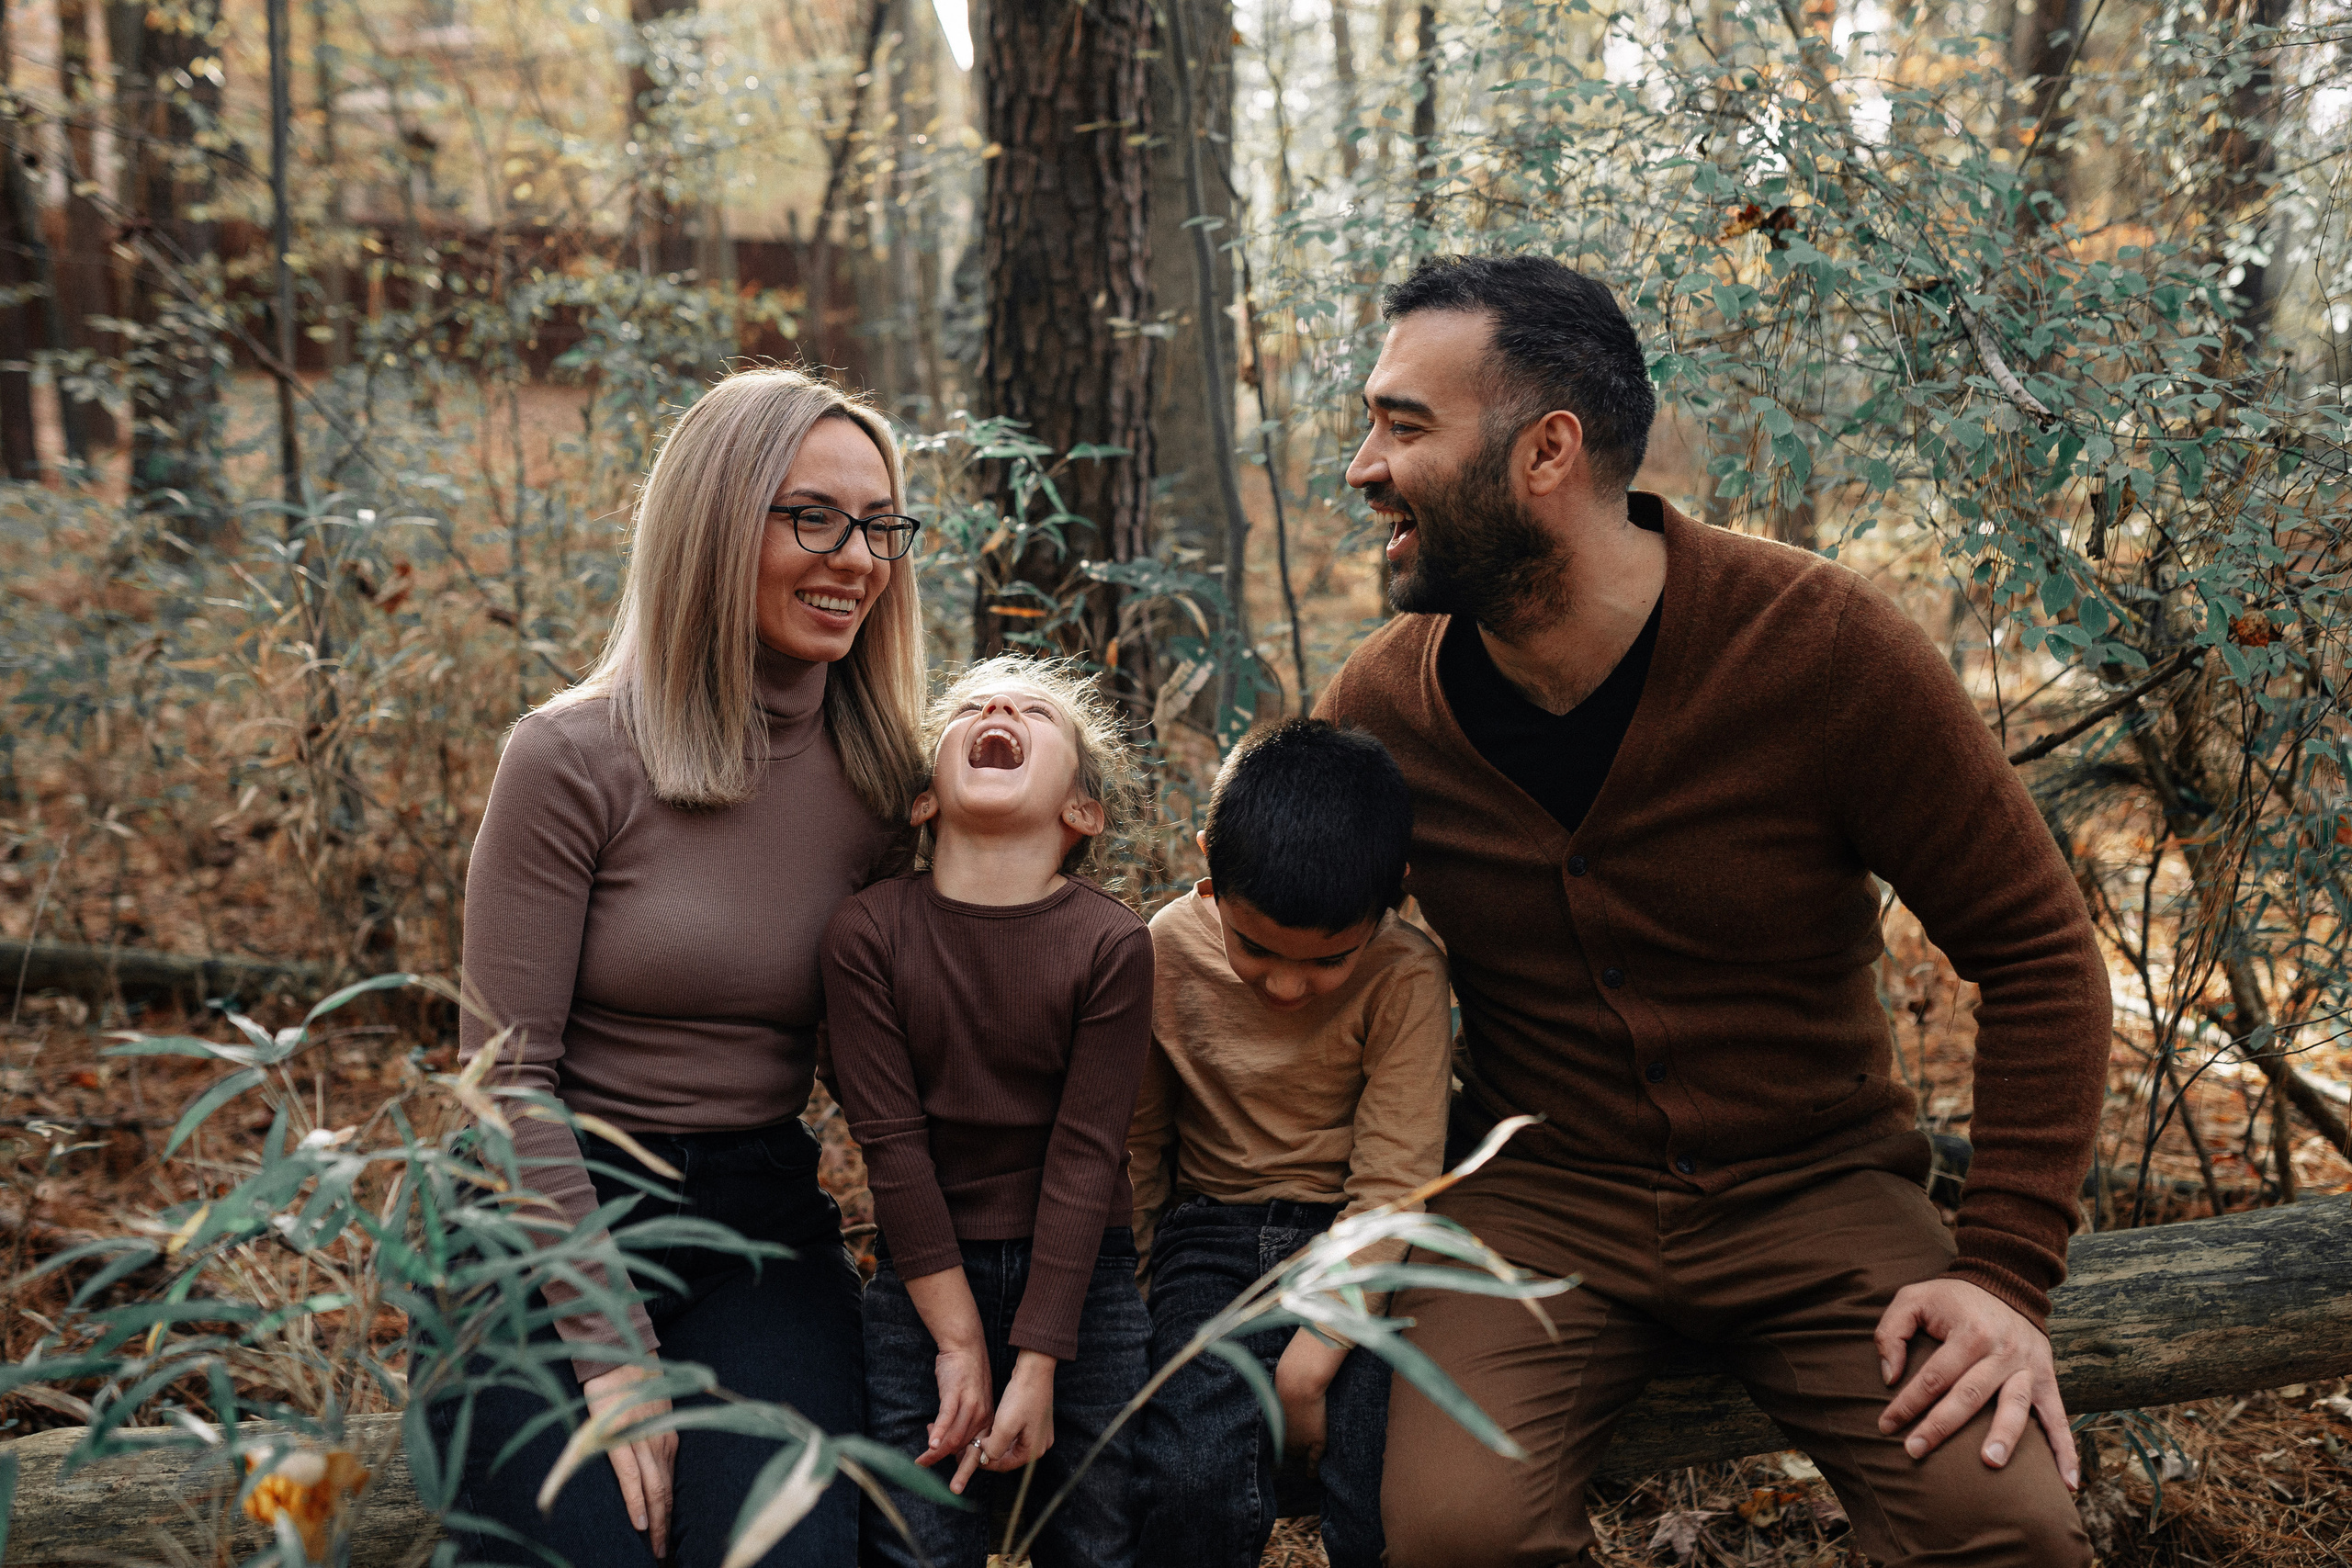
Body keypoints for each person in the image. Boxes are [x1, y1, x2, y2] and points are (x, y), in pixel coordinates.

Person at [1314, 254, 2109, 1567]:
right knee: (1456, 1536)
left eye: (1404, 426)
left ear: (1547, 451)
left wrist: (2003, 1272)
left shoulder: (1822, 646)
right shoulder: (1384, 706)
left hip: (1819, 1189)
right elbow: (1277, 954)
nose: (1363, 467)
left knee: (2002, 1529)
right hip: (1535, 1206)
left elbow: (2037, 950)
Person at [446, 367, 928, 1568]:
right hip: (552, 1216)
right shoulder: (569, 757)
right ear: (713, 525)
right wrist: (612, 1358)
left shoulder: (885, 783)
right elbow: (505, 1085)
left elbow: (892, 1071)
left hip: (755, 1226)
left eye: (878, 525)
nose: (856, 558)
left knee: (785, 1550)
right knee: (599, 1544)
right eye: (812, 517)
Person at [821, 655, 1155, 1568]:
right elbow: (892, 1149)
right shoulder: (867, 934)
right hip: (925, 1275)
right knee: (917, 1543)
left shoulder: (1112, 944)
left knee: (1098, 1540)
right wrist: (958, 1342)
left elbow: (1086, 1156)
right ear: (924, 799)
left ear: (1082, 810)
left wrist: (1038, 1361)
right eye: (968, 707)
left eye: (1036, 713)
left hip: (1081, 1279)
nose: (998, 705)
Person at [1128, 719, 1452, 1568]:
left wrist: (1315, 1355)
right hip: (1208, 1240)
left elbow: (1395, 1181)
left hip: (1361, 1245)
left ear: (1394, 894)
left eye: (1329, 960)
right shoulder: (1163, 949)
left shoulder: (1406, 973)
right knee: (1187, 1473)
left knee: (1383, 1480)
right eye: (1254, 947)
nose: (1285, 984)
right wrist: (1132, 1298)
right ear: (1209, 865)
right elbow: (1137, 1144)